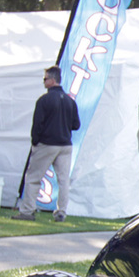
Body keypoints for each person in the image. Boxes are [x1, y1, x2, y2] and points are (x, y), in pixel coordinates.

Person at [12, 66, 80, 222]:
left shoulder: (44, 100)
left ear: (52, 80)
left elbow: (37, 125)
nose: (44, 82)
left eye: (45, 79)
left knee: (34, 177)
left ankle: (27, 211)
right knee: (63, 181)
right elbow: (76, 125)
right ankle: (61, 211)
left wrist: (35, 142)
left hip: (48, 143)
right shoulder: (70, 101)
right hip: (65, 145)